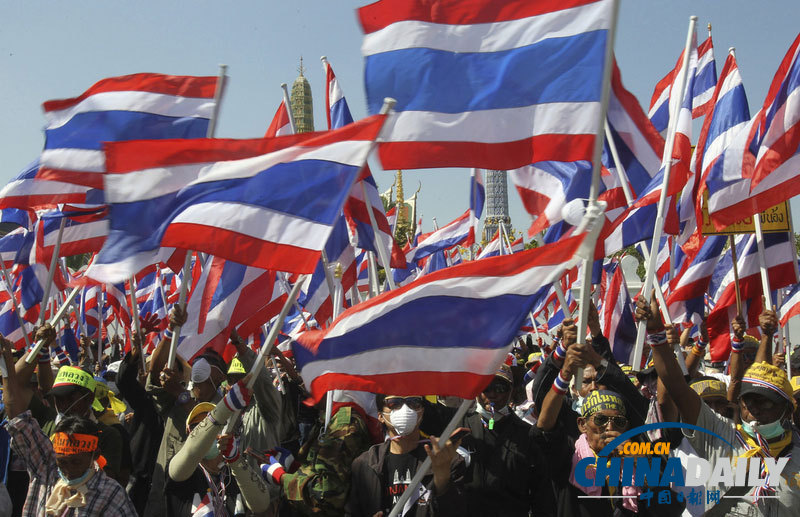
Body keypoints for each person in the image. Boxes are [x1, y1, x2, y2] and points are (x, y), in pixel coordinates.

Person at [636, 293, 800, 516]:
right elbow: (678, 388)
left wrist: (767, 337)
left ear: (788, 410)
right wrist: (656, 334)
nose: (754, 411)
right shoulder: (720, 436)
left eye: (765, 403)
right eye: (747, 403)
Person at [2, 336, 137, 516]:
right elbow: (16, 412)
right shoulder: (46, 469)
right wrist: (5, 363)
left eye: (76, 462)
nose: (68, 470)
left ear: (95, 456)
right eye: (62, 461)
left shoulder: (110, 494)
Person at [420, 362, 556, 516]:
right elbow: (422, 410)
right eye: (486, 387)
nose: (492, 394)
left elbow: (542, 494)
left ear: (511, 391)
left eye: (500, 388)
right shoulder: (455, 422)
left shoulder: (527, 435)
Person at [346, 394, 466, 516]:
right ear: (380, 416)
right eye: (394, 403)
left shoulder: (447, 459)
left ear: (422, 411)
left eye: (414, 402)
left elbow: (458, 510)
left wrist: (442, 476)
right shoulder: (364, 465)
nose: (405, 409)